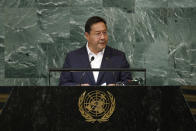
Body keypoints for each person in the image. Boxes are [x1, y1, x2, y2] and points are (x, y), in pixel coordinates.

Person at [59, 16, 132, 86]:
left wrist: (117, 86)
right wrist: (79, 86)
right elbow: (63, 84)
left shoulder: (119, 57)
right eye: (98, 34)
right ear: (87, 36)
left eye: (104, 32)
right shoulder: (72, 57)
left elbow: (129, 83)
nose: (103, 37)